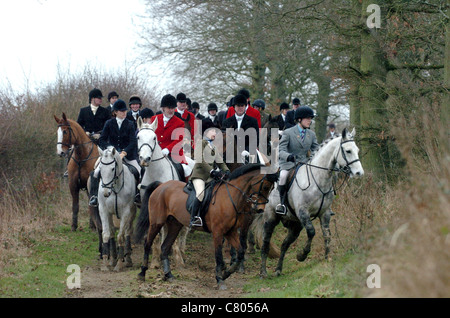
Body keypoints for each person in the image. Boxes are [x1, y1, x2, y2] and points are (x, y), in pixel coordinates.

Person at [89, 99, 141, 207]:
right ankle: (94, 197)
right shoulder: (109, 123)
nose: (124, 113)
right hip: (111, 155)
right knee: (96, 172)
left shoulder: (130, 124)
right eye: (121, 111)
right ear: (115, 112)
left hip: (127, 155)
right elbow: (102, 140)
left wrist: (124, 152)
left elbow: (133, 142)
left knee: (139, 171)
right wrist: (111, 148)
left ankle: (137, 195)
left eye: (125, 111)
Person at [276, 105, 319, 214]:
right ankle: (282, 203)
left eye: (311, 119)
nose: (310, 121)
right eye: (307, 118)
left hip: (304, 163)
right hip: (289, 164)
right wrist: (288, 156)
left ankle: (320, 204)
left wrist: (312, 157)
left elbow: (316, 149)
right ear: (299, 119)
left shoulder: (311, 134)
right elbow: (280, 150)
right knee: (282, 177)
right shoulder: (288, 132)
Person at [188, 120, 230, 227]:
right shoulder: (200, 143)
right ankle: (193, 218)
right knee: (201, 193)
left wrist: (227, 170)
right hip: (199, 176)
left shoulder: (213, 147)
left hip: (209, 177)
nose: (215, 134)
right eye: (213, 131)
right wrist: (212, 171)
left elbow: (220, 161)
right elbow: (200, 159)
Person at [150, 94, 192, 177]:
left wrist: (168, 149)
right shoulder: (154, 119)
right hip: (156, 154)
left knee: (185, 170)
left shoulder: (179, 122)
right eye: (169, 108)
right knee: (143, 169)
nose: (171, 110)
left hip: (174, 155)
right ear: (163, 108)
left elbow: (179, 140)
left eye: (173, 108)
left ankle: (184, 188)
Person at [222, 94, 259, 164]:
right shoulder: (227, 122)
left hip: (248, 153)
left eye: (242, 106)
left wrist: (247, 151)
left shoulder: (252, 121)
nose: (240, 108)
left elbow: (255, 139)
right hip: (231, 154)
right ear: (234, 107)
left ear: (245, 106)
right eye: (238, 106)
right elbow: (223, 140)